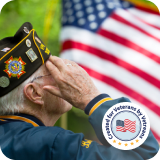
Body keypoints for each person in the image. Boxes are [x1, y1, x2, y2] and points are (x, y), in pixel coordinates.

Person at [0, 22, 159, 160]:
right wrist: (92, 98)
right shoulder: (52, 144)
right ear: (35, 93)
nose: (67, 75)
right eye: (53, 70)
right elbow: (148, 155)